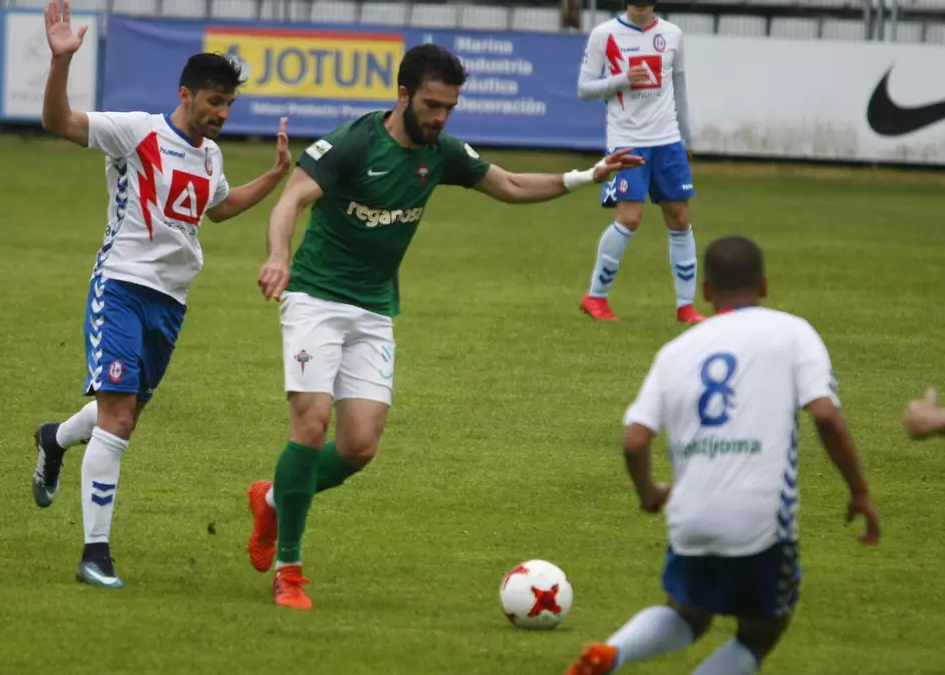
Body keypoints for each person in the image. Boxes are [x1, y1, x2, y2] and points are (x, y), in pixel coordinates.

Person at [244, 43, 646, 610]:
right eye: (432, 105)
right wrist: (278, 257)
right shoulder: (355, 142)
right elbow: (290, 201)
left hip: (374, 308)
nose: (440, 117)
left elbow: (509, 186)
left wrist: (588, 175)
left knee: (359, 445)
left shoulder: (442, 152)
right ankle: (289, 568)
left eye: (449, 108)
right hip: (314, 297)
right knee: (311, 423)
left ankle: (272, 503)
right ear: (403, 95)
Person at [30, 0, 292, 589]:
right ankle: (94, 555)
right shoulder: (138, 132)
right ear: (185, 94)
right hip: (122, 287)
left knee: (123, 413)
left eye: (229, 103)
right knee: (119, 418)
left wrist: (275, 177)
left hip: (171, 303)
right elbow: (59, 122)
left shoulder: (211, 155)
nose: (222, 113)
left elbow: (219, 208)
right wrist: (61, 62)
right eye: (214, 101)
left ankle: (55, 438)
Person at [566, 235, 881, 675]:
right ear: (764, 285)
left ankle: (613, 653)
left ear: (707, 291)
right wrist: (860, 491)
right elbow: (825, 415)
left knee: (687, 613)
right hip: (760, 520)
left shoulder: (676, 351)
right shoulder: (792, 332)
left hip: (691, 517)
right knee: (761, 630)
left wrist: (648, 492)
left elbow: (635, 440)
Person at [576, 0, 703, 323]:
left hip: (667, 141)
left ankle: (686, 306)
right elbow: (584, 89)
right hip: (627, 141)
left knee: (679, 217)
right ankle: (595, 297)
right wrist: (622, 80)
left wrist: (687, 139)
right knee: (630, 217)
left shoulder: (672, 34)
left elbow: (680, 89)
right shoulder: (604, 34)